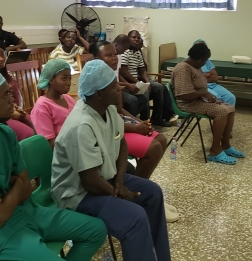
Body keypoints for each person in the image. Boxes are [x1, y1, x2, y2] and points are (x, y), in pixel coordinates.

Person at [0, 63, 107, 261]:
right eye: (5, 94)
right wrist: (17, 185)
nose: (12, 99)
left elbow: (27, 190)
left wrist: (14, 191)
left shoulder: (5, 133)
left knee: (96, 230)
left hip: (23, 212)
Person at [52, 60, 171, 261]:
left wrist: (119, 181)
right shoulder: (81, 125)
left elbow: (121, 143)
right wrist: (119, 193)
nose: (119, 88)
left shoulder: (107, 110)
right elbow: (90, 182)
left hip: (104, 179)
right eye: (114, 85)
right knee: (134, 217)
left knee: (153, 193)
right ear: (99, 93)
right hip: (77, 194)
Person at [91, 41, 179, 222]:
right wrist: (136, 128)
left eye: (114, 54)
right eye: (108, 55)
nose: (114, 58)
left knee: (161, 139)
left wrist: (140, 122)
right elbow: (107, 121)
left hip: (120, 123)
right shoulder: (95, 84)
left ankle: (143, 190)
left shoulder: (111, 76)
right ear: (96, 59)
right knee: (153, 147)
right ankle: (138, 196)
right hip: (112, 131)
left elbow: (119, 110)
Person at [171, 43, 244, 165]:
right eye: (205, 60)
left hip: (197, 100)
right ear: (199, 59)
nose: (205, 63)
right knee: (221, 112)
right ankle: (215, 151)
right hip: (187, 104)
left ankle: (225, 145)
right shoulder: (183, 69)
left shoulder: (194, 66)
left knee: (230, 108)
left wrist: (205, 95)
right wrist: (204, 93)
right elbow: (182, 95)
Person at [0, 37, 35, 141]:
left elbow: (10, 97)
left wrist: (16, 108)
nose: (1, 59)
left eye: (3, 54)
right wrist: (11, 114)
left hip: (10, 112)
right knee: (28, 134)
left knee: (36, 123)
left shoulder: (5, 73)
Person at [120, 31, 172, 127]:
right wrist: (138, 82)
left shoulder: (137, 52)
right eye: (133, 37)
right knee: (145, 91)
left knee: (159, 87)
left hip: (137, 81)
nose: (136, 40)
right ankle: (145, 120)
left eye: (138, 38)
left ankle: (157, 118)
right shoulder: (124, 52)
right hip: (128, 82)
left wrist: (148, 82)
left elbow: (143, 70)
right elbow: (124, 73)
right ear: (128, 39)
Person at [31, 59, 77, 148]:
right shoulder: (42, 106)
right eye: (64, 78)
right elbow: (49, 144)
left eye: (70, 78)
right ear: (51, 80)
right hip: (62, 151)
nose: (69, 83)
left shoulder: (68, 99)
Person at [111, 35, 150, 120]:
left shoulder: (118, 56)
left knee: (143, 98)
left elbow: (118, 75)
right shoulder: (110, 58)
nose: (124, 52)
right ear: (117, 45)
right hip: (113, 88)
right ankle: (129, 121)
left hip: (120, 86)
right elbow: (111, 81)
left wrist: (128, 85)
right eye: (124, 49)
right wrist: (128, 85)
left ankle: (138, 120)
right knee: (132, 100)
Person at [192, 39, 236, 106]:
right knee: (215, 97)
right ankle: (219, 112)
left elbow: (215, 77)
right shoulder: (191, 62)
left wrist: (204, 76)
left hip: (212, 85)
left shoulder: (207, 60)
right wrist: (208, 74)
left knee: (230, 97)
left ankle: (227, 111)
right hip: (201, 87)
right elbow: (196, 80)